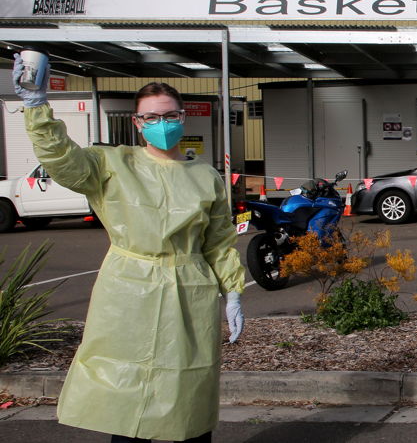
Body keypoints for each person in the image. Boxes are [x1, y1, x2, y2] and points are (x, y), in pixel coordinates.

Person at [12, 53, 245, 443]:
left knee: (188, 392)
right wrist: (37, 108)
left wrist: (233, 289)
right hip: (128, 289)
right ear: (137, 123)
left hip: (190, 287)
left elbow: (219, 240)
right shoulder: (111, 163)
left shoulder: (205, 177)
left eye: (169, 115)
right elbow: (62, 160)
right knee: (127, 395)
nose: (162, 124)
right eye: (151, 117)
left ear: (183, 116)